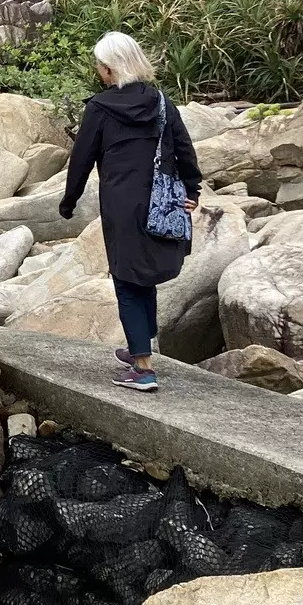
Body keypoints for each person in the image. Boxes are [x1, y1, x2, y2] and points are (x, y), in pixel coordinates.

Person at [58, 31, 201, 391]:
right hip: (159, 201)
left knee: (127, 281)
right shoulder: (162, 103)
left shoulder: (100, 108)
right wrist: (193, 191)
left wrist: (68, 201)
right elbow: (183, 148)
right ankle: (142, 346)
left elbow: (81, 160)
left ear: (108, 70)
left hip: (121, 206)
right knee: (143, 277)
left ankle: (142, 368)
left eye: (99, 66)